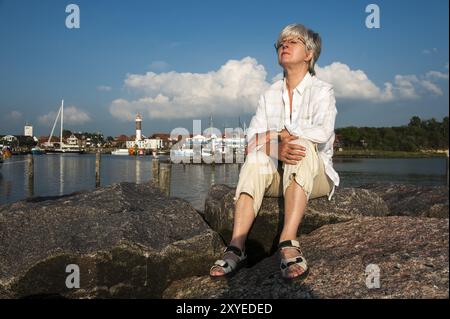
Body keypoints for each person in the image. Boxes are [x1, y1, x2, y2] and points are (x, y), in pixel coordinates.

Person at [209, 23, 340, 280]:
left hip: (316, 176)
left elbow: (322, 132)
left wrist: (275, 135)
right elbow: (250, 143)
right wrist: (272, 143)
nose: (284, 45)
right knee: (258, 157)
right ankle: (236, 246)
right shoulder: (269, 94)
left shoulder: (323, 91)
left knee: (300, 145)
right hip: (276, 178)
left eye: (293, 42)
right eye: (281, 42)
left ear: (309, 54)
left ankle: (288, 241)